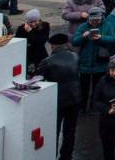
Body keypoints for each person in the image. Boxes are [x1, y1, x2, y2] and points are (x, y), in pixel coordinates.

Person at [39, 32, 81, 160]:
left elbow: (38, 79)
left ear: (53, 45)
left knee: (54, 131)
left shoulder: (48, 61)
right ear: (65, 44)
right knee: (70, 131)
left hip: (58, 100)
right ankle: (66, 156)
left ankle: (52, 155)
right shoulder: (75, 56)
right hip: (75, 98)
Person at [72, 5, 115, 108]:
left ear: (101, 18)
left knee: (98, 88)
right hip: (85, 63)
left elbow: (113, 39)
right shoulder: (83, 27)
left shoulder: (107, 26)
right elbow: (75, 42)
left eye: (97, 20)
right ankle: (83, 107)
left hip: (101, 62)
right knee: (84, 88)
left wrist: (101, 38)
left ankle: (95, 107)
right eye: (92, 20)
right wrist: (83, 36)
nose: (95, 22)